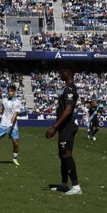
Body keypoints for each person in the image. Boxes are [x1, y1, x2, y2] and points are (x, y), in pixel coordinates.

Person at [45, 67, 82, 195]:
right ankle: (64, 184)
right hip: (63, 127)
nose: (59, 75)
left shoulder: (70, 89)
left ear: (67, 73)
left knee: (67, 154)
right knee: (62, 155)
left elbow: (68, 110)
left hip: (68, 126)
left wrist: (54, 127)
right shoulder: (66, 89)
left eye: (61, 73)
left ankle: (76, 187)